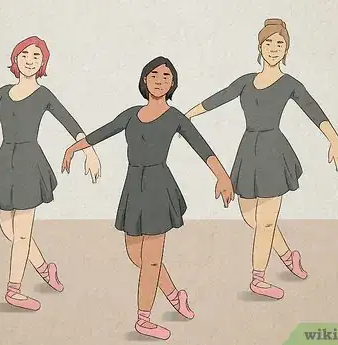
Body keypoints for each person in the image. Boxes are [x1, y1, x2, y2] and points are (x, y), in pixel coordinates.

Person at [61, 56, 234, 340]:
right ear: (144, 80)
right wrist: (74, 148)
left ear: (173, 83)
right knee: (135, 255)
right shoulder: (131, 114)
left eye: (166, 76)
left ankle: (144, 318)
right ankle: (176, 295)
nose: (159, 79)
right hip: (133, 187)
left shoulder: (176, 117)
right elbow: (103, 132)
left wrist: (222, 176)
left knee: (152, 260)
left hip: (158, 187)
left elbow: (202, 147)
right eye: (154, 74)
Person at [0, 36, 101, 311]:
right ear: (15, 59)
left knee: (22, 233)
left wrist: (89, 151)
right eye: (25, 54)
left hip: (29, 163)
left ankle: (14, 289)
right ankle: (46, 268)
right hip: (5, 162)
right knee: (7, 228)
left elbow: (69, 122)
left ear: (43, 63)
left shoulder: (44, 95)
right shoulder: (3, 92)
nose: (30, 59)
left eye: (36, 56)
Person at [183, 19, 338, 300]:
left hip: (273, 151)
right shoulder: (246, 81)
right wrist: (184, 118)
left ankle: (258, 278)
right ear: (260, 47)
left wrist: (334, 140)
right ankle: (288, 255)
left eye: (279, 43)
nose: (273, 48)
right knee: (251, 218)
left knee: (267, 222)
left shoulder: (290, 84)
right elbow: (216, 99)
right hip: (248, 151)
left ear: (287, 49)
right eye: (268, 43)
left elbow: (314, 111)